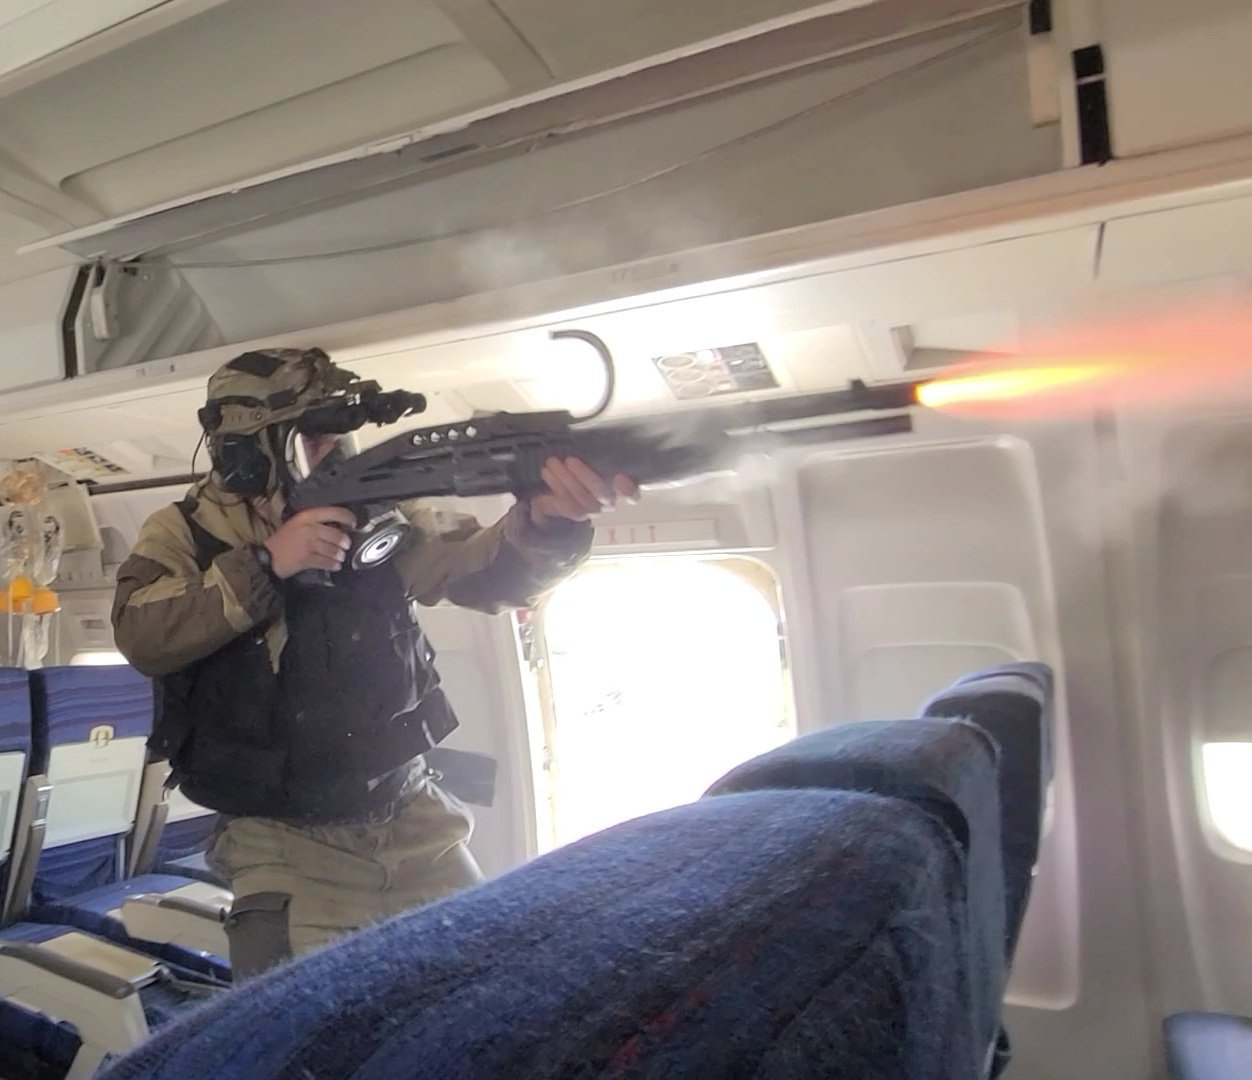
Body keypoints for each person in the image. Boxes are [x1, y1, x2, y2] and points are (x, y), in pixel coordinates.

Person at [111, 346, 638, 977]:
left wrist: (544, 522)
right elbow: (140, 631)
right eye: (312, 441)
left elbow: (475, 571)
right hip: (284, 841)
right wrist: (267, 564)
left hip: (416, 819)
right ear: (250, 448)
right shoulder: (184, 529)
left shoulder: (383, 510)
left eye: (339, 439)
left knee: (493, 984)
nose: (334, 455)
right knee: (301, 1023)